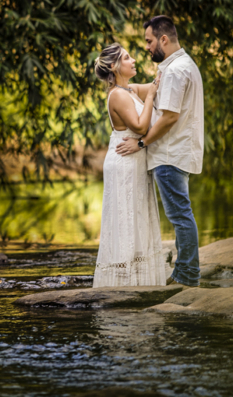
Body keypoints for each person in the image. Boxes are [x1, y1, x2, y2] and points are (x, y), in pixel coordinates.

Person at [116, 15, 204, 288]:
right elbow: (153, 92)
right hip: (173, 153)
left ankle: (187, 276)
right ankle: (185, 272)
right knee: (181, 214)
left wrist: (141, 143)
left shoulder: (177, 71)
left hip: (169, 154)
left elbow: (168, 117)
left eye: (149, 41)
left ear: (163, 39)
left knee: (180, 216)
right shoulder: (176, 66)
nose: (146, 46)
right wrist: (123, 88)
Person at [92, 43, 166, 287]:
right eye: (127, 57)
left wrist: (168, 66)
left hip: (135, 159)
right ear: (114, 67)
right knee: (126, 219)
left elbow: (157, 84)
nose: (133, 60)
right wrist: (152, 98)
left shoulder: (130, 89)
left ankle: (139, 280)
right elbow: (141, 127)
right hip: (124, 162)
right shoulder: (118, 95)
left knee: (137, 217)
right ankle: (124, 282)